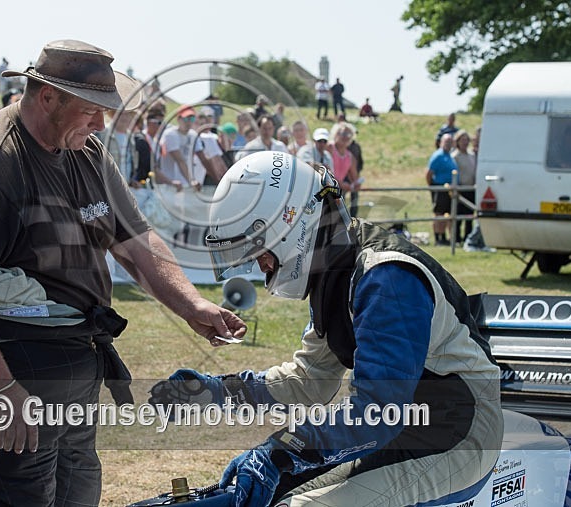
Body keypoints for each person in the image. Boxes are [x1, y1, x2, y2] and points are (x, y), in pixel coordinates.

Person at [0, 40, 246, 507]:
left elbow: (134, 238)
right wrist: (2, 388)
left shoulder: (85, 151)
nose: (101, 123)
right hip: (3, 373)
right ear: (47, 96)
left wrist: (192, 303)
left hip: (69, 366)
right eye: (91, 109)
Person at [150, 151, 502, 507]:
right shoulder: (336, 272)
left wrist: (281, 450)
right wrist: (221, 391)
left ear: (289, 228)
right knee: (262, 498)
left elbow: (377, 411)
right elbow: (309, 380)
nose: (260, 266)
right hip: (406, 427)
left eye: (258, 251)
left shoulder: (386, 279)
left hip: (457, 430)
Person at [156, 105, 205, 190]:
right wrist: (192, 181)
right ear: (178, 119)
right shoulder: (170, 134)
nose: (188, 122)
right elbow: (180, 160)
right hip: (170, 185)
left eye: (192, 119)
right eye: (185, 118)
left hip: (185, 184)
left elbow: (204, 158)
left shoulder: (193, 135)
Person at [426, 133, 458, 246]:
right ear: (441, 143)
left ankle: (445, 237)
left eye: (450, 142)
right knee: (439, 214)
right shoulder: (437, 156)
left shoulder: (450, 155)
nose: (448, 144)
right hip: (440, 188)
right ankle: (438, 238)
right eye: (446, 142)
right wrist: (433, 187)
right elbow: (429, 173)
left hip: (449, 189)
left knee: (447, 214)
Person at [451, 130, 476, 243]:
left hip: (471, 188)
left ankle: (467, 237)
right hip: (460, 189)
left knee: (469, 216)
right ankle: (456, 238)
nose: (465, 142)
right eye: (462, 140)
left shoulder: (472, 155)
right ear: (458, 142)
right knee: (458, 215)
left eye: (466, 140)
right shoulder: (455, 156)